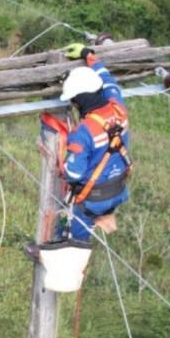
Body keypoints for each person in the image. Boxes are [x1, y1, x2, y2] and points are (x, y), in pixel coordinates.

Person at [58, 42, 131, 241]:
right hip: (117, 190)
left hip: (92, 200)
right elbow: (107, 80)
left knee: (69, 235)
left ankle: (63, 249)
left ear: (79, 100)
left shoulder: (83, 132)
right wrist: (88, 55)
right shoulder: (118, 108)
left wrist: (61, 161)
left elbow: (73, 173)